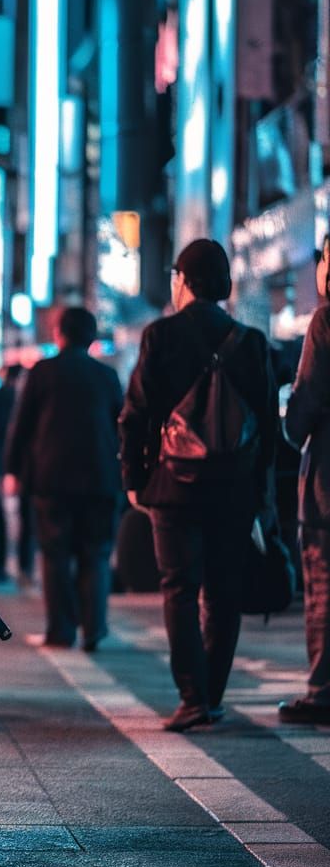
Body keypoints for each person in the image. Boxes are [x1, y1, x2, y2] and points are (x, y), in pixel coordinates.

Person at [119, 239, 278, 732]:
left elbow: (136, 416)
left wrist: (135, 480)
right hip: (233, 490)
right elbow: (268, 426)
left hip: (174, 486)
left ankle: (192, 696)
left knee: (180, 588)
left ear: (183, 280)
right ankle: (211, 695)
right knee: (223, 594)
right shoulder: (249, 342)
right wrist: (261, 495)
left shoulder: (161, 336)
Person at [4, 308, 123, 651]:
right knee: (96, 554)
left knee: (55, 556)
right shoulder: (107, 376)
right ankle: (94, 628)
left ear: (59, 334)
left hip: (51, 479)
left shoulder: (43, 372)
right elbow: (122, 426)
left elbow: (22, 425)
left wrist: (12, 470)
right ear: (92, 337)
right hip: (101, 479)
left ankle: (61, 630)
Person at [279, 235, 330, 725]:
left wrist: (289, 433)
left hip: (327, 490)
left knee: (325, 590)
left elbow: (306, 403)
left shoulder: (326, 321)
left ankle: (322, 692)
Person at [0, 365, 32, 583]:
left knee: (19, 518)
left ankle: (19, 566)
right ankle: (10, 566)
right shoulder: (2, 398)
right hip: (10, 467)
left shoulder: (6, 397)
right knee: (8, 517)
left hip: (23, 468)